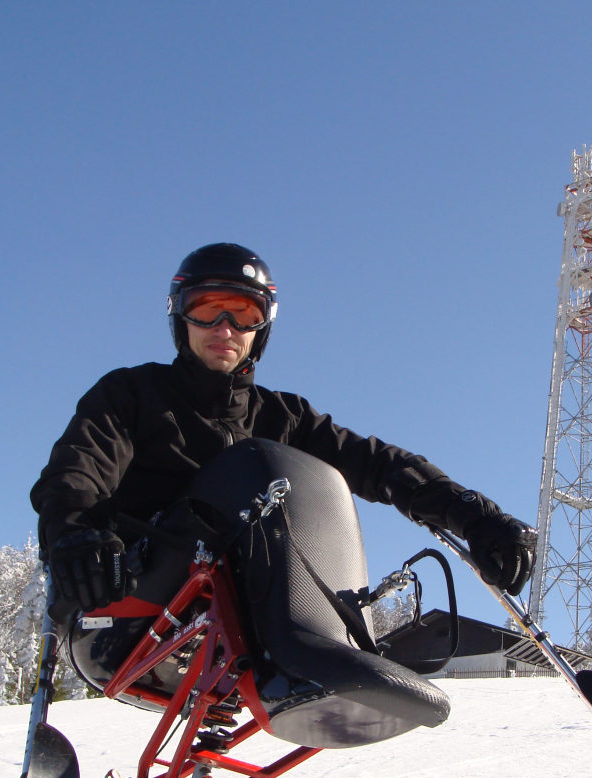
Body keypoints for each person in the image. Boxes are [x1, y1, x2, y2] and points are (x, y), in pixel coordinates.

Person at [31, 243, 536, 623]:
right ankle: (309, 646)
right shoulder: (133, 394)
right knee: (252, 470)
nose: (225, 327)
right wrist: (75, 534)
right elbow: (77, 470)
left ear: (262, 328)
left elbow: (378, 464)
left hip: (253, 612)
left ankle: (335, 646)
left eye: (244, 313)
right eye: (208, 309)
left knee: (309, 481)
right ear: (180, 318)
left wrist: (473, 515)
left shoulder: (282, 416)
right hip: (142, 593)